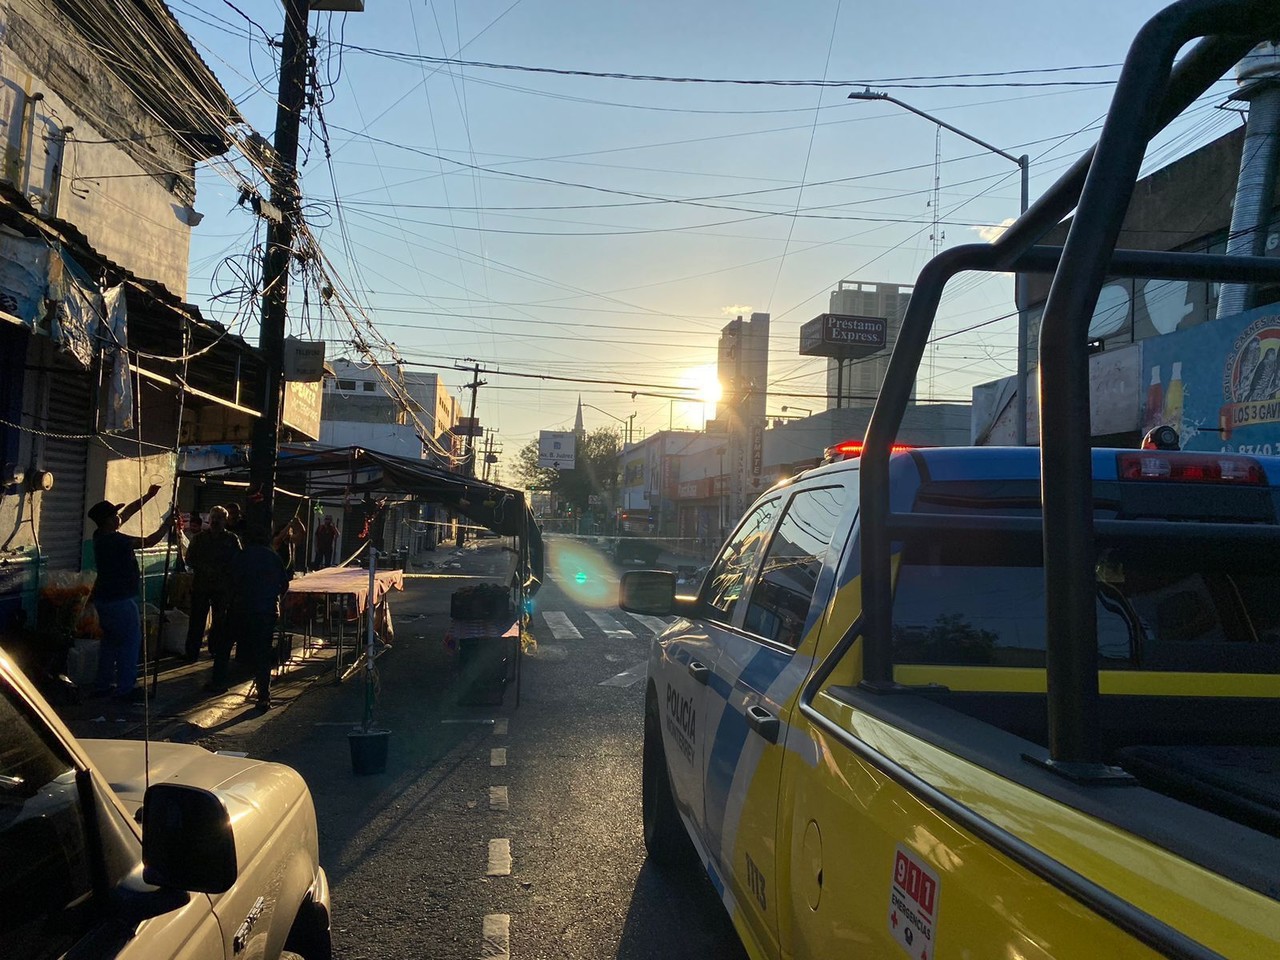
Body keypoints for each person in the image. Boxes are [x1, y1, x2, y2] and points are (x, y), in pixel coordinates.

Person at [86, 485, 171, 702]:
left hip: (105, 600)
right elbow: (150, 541)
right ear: (107, 520)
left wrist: (148, 497)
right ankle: (126, 688)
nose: (118, 518)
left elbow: (127, 513)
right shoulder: (116, 541)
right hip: (120, 601)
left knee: (110, 644)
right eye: (114, 515)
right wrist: (167, 525)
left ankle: (103, 685)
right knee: (130, 643)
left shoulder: (99, 537)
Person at [231, 530, 291, 710]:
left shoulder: (242, 556)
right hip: (266, 611)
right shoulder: (273, 557)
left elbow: (232, 580)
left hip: (244, 609)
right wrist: (275, 599)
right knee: (262, 652)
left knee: (228, 645)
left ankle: (221, 681)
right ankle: (263, 696)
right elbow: (285, 584)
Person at [185, 505, 242, 667]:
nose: (216, 521)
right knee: (197, 620)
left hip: (222, 587)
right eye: (214, 517)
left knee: (219, 621)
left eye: (219, 518)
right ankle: (192, 652)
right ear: (209, 519)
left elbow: (238, 561)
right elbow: (189, 559)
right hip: (201, 585)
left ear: (225, 521)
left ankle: (215, 649)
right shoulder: (199, 539)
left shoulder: (231, 539)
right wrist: (204, 567)